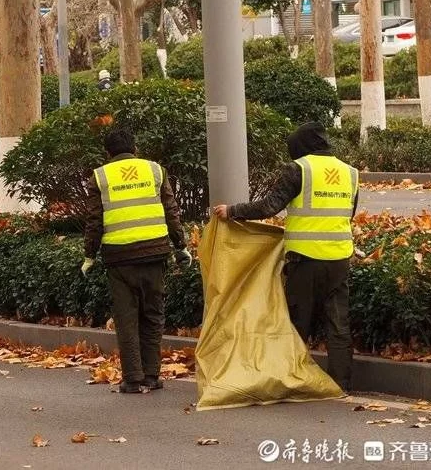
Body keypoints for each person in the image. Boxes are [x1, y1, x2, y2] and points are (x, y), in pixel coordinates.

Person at [213, 121, 359, 392]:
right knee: (338, 323)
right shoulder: (350, 173)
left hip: (305, 260)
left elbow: (269, 206)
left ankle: (293, 380)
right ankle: (342, 383)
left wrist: (232, 211)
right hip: (339, 259)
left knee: (295, 324)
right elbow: (347, 214)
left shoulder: (298, 169)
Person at [82, 125, 192, 393]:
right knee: (153, 316)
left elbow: (95, 221)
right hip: (155, 253)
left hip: (119, 259)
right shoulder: (154, 170)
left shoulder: (100, 177)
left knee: (126, 318)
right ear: (135, 148)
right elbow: (171, 210)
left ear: (108, 152)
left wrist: (89, 255)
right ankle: (152, 376)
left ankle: (132, 378)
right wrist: (181, 246)